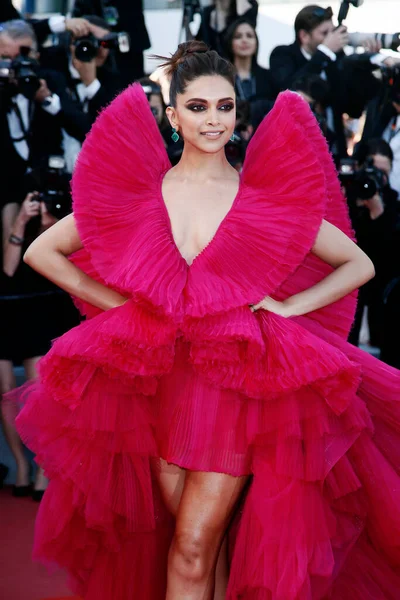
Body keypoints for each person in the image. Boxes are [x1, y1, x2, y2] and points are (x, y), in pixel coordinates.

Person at [9, 41, 400, 600]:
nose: (213, 119)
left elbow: (357, 263)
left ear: (238, 112)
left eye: (224, 106)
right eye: (197, 107)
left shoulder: (264, 200)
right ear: (172, 115)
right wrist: (119, 306)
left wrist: (287, 308)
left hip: (236, 390)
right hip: (160, 390)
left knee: (191, 546)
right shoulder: (140, 196)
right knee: (202, 546)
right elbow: (42, 251)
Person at [1, 193, 80, 500]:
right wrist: (21, 219)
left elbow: (50, 261)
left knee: (39, 391)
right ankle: (21, 466)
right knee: (5, 391)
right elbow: (9, 268)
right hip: (6, 309)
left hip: (39, 307)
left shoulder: (58, 204)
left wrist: (49, 224)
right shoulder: (11, 210)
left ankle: (42, 469)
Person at [269, 4, 393, 159]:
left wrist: (366, 63)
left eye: (332, 32)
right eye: (324, 33)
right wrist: (325, 52)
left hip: (333, 152)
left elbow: (353, 109)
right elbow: (289, 88)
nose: (332, 38)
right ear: (304, 36)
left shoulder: (335, 60)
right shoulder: (282, 55)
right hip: (293, 151)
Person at [224, 18, 277, 104]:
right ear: (230, 43)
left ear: (256, 43)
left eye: (249, 36)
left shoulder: (269, 77)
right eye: (238, 36)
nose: (244, 40)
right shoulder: (222, 77)